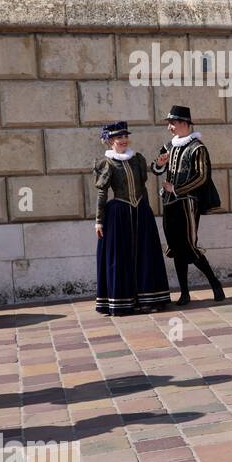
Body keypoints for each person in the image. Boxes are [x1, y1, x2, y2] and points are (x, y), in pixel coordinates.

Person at [93, 121, 171, 316]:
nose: (124, 140)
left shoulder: (137, 159)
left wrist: (160, 164)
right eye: (119, 137)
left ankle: (149, 299)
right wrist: (98, 220)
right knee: (121, 257)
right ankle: (123, 301)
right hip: (119, 213)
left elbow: (147, 180)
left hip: (141, 211)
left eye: (125, 136)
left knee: (146, 254)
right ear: (110, 140)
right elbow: (102, 193)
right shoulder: (107, 163)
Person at [152, 105, 224, 305]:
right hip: (169, 204)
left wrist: (176, 189)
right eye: (169, 124)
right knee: (175, 247)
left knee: (188, 246)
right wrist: (159, 163)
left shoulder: (198, 148)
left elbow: (202, 177)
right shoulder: (169, 146)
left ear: (184, 123)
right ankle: (185, 292)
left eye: (172, 123)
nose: (170, 128)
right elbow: (156, 169)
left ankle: (214, 282)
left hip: (188, 204)